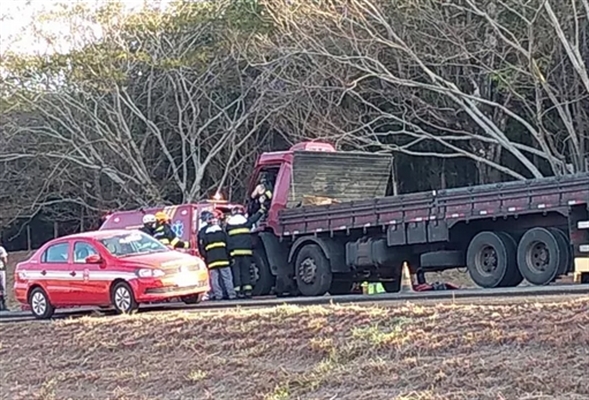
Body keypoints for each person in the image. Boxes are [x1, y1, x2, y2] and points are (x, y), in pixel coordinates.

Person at [225, 205, 264, 298]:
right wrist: (261, 210)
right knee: (246, 271)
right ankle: (248, 291)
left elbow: (227, 241)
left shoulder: (229, 226)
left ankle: (238, 292)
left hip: (235, 253)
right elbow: (254, 219)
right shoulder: (246, 222)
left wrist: (229, 253)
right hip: (246, 252)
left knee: (236, 273)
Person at [201, 210, 236, 300]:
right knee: (227, 278)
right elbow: (229, 246)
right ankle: (231, 295)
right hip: (223, 259)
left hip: (212, 261)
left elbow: (202, 248)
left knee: (214, 280)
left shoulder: (205, 235)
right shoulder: (222, 233)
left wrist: (206, 258)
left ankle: (218, 295)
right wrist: (231, 257)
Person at [0, 244, 7, 311]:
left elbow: (5, 259)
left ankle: (3, 304)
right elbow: (5, 260)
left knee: (2, 287)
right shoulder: (1, 249)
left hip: (1, 270)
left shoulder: (1, 249)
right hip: (1, 269)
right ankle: (3, 304)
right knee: (2, 287)